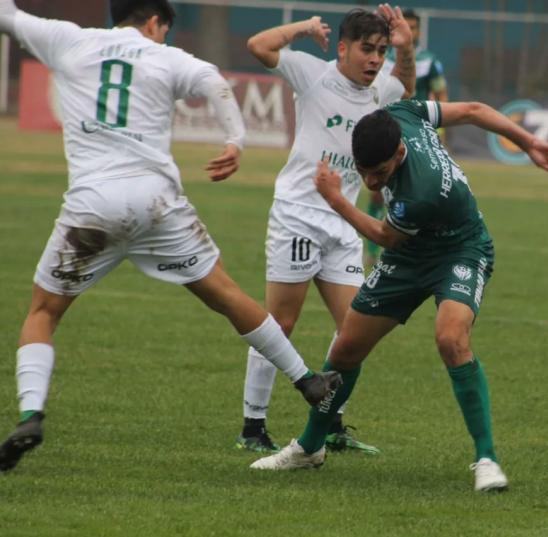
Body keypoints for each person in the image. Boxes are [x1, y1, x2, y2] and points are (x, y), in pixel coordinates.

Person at [0, 0, 341, 473]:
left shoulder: (69, 38)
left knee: (43, 312)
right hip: (156, 203)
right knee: (224, 292)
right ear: (155, 22)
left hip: (92, 207)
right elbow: (216, 85)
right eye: (165, 30)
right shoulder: (166, 57)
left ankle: (31, 414)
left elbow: (9, 16)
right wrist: (236, 140)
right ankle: (306, 379)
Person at [249, 98, 548, 492]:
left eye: (379, 173)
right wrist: (528, 142)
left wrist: (336, 200)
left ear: (399, 152)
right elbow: (471, 110)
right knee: (346, 348)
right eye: (363, 172)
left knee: (451, 338)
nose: (370, 182)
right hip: (410, 257)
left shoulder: (422, 190)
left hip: (459, 250)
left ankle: (487, 458)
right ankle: (309, 448)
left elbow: (385, 237)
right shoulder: (401, 114)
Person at [236, 6, 415, 455]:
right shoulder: (312, 74)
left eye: (380, 51)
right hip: (298, 213)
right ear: (342, 47)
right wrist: (301, 28)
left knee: (353, 330)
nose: (375, 59)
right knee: (282, 322)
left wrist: (406, 48)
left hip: (344, 221)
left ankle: (329, 422)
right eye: (366, 50)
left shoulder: (381, 91)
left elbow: (407, 86)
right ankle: (252, 427)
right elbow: (258, 45)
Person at [366, 7, 449, 267]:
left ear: (419, 30)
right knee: (378, 192)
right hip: (389, 128)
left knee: (418, 189)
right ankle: (372, 251)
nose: (410, 31)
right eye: (406, 27)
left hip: (419, 130)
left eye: (414, 28)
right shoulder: (382, 57)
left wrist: (441, 132)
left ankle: (418, 247)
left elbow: (441, 95)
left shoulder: (429, 60)